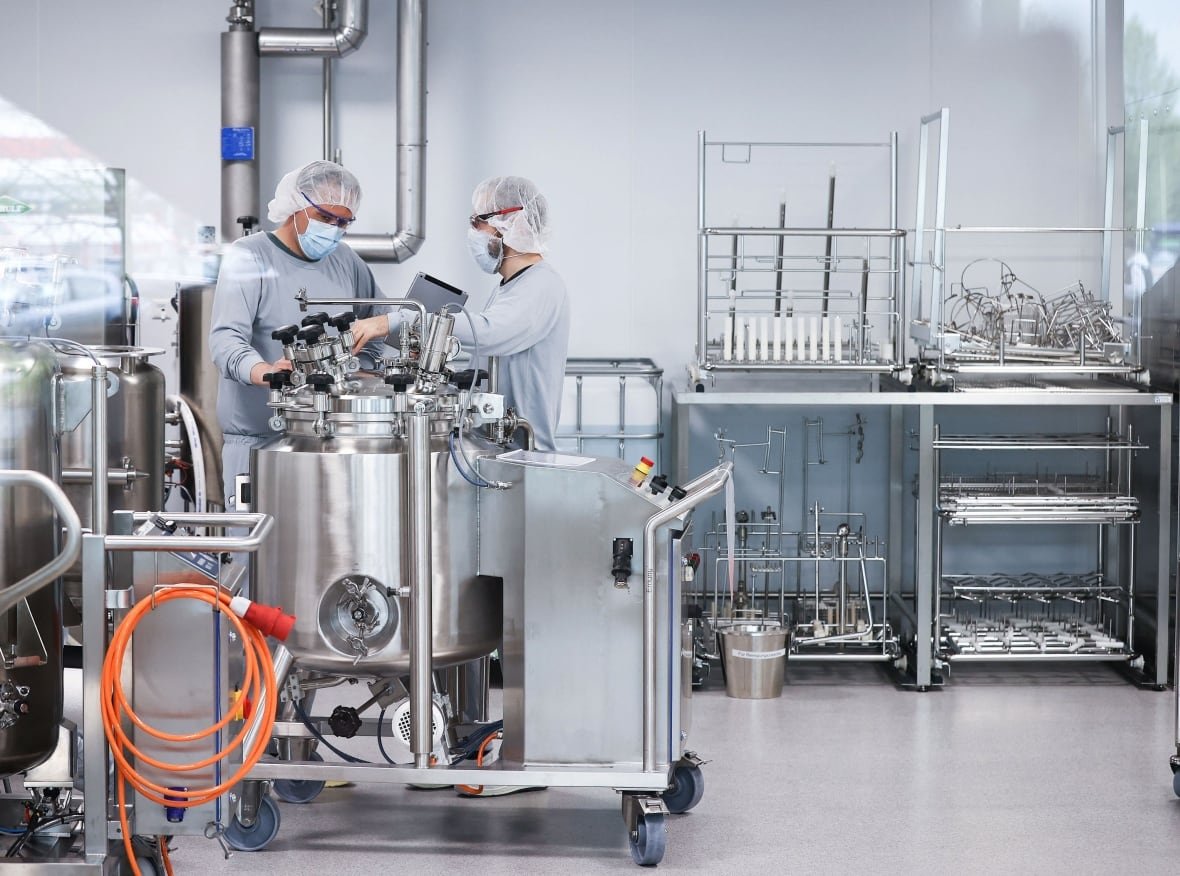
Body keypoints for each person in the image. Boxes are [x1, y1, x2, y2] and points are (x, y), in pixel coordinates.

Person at [210, 160, 388, 509]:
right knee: (260, 542)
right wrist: (266, 372)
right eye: (325, 218)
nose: (334, 230)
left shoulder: (345, 260)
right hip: (260, 442)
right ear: (297, 206)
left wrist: (361, 367)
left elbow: (379, 322)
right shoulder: (249, 257)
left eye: (343, 223)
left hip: (330, 438)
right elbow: (225, 339)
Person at [351, 175, 570, 450]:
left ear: (509, 223)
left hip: (525, 453)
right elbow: (487, 359)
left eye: (477, 222)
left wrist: (398, 320)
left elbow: (489, 333)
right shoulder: (510, 286)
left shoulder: (541, 284)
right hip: (498, 446)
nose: (473, 232)